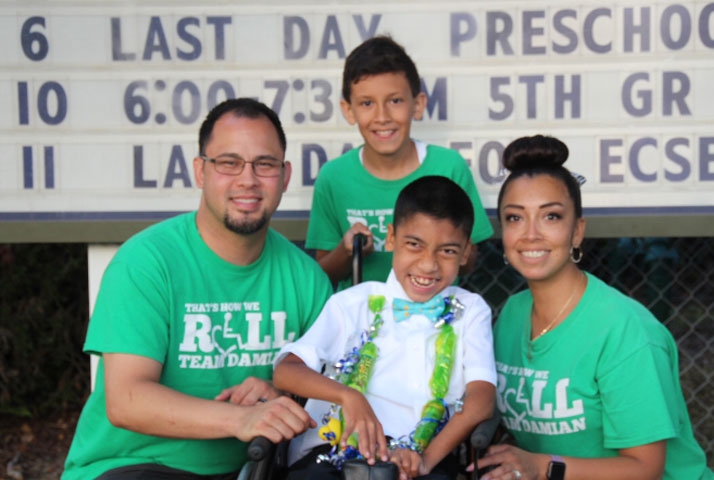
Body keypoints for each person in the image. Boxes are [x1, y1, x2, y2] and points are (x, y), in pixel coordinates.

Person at [62, 98, 333, 480]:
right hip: (136, 465)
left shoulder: (306, 279)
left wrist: (281, 395)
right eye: (229, 162)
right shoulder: (146, 262)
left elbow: (330, 396)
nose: (248, 179)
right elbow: (127, 401)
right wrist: (241, 418)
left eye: (265, 164)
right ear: (200, 171)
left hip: (254, 468)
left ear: (285, 176)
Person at [469, 135, 714, 480]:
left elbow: (645, 468)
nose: (530, 234)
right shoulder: (511, 314)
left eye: (551, 216)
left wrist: (541, 466)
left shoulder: (625, 331)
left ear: (577, 231)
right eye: (514, 218)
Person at [274, 176, 497, 480]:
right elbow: (286, 371)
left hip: (423, 458)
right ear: (391, 238)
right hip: (335, 451)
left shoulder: (471, 311)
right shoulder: (353, 303)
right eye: (414, 245)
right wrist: (349, 397)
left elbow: (481, 400)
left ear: (466, 253)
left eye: (446, 251)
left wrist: (425, 460)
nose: (428, 265)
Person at [305, 35, 494, 289]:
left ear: (418, 104)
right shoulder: (333, 177)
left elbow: (469, 261)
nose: (382, 117)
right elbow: (321, 276)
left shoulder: (449, 167)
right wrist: (347, 251)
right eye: (367, 103)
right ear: (348, 110)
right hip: (364, 324)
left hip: (435, 323)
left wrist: (441, 245)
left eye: (395, 101)